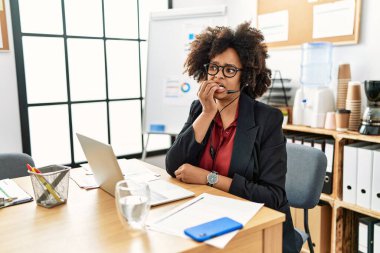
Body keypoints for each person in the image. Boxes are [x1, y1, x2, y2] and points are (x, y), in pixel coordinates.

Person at [165, 22, 298, 252]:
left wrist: (209, 178)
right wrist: (208, 113)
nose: (218, 77)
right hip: (211, 217)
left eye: (229, 70)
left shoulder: (267, 120)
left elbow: (273, 196)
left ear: (244, 76)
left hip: (259, 229)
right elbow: (173, 165)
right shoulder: (200, 109)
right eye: (214, 67)